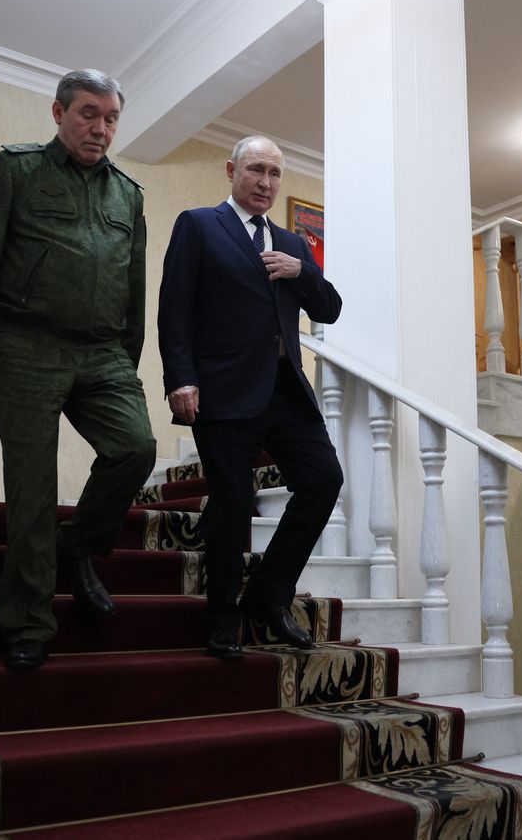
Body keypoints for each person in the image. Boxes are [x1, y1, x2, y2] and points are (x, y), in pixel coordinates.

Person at [0, 70, 156, 671]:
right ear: (58, 112)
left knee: (135, 448)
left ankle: (79, 546)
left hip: (103, 353)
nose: (101, 127)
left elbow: (132, 288)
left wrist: (128, 360)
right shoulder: (14, 169)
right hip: (23, 346)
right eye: (89, 113)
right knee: (32, 488)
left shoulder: (128, 195)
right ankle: (28, 622)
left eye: (111, 117)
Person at [158, 136, 343, 660]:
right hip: (222, 392)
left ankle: (269, 592)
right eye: (256, 169)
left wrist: (300, 270)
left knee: (323, 480)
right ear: (231, 170)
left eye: (275, 173)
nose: (266, 182)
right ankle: (220, 615)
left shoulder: (292, 242)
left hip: (286, 392)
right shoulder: (198, 225)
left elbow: (328, 309)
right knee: (234, 500)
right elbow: (175, 309)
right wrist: (180, 379)